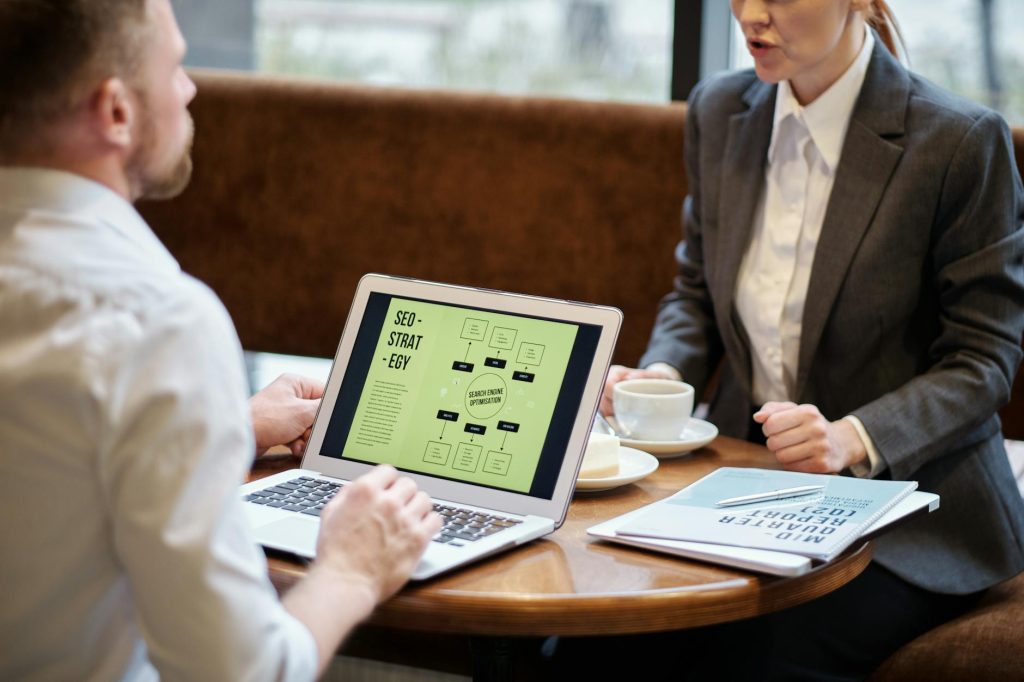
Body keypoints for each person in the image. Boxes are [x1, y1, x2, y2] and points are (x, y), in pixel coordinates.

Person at [0, 1, 441, 680]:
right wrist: (352, 569)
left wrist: (227, 426)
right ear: (115, 111)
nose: (191, 87)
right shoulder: (158, 322)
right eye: (175, 67)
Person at [601, 0, 1024, 678]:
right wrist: (662, 377)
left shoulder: (958, 140)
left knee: (759, 656)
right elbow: (698, 294)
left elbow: (985, 359)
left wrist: (850, 437)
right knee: (594, 644)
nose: (750, 15)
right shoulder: (719, 111)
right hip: (745, 489)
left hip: (912, 511)